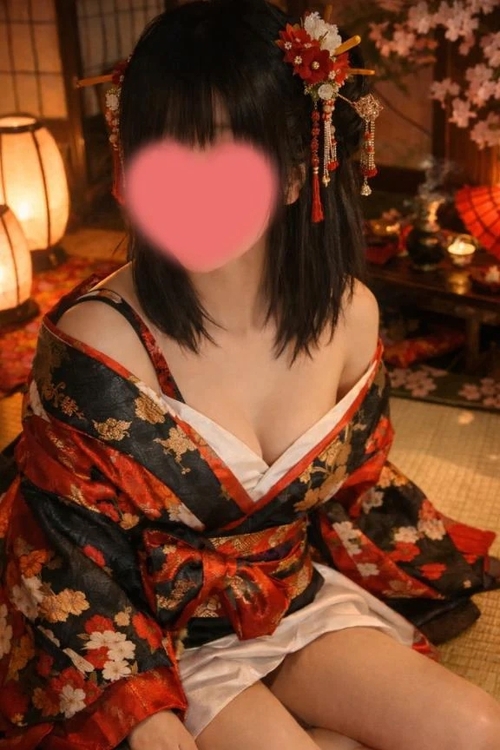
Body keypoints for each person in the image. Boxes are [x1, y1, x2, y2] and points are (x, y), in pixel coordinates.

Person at [0, 2, 499, 749]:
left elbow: (358, 485)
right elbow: (63, 551)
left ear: (297, 173)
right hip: (152, 634)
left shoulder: (349, 315)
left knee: (477, 729)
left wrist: (439, 558)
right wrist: (141, 711)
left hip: (286, 597)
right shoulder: (102, 338)